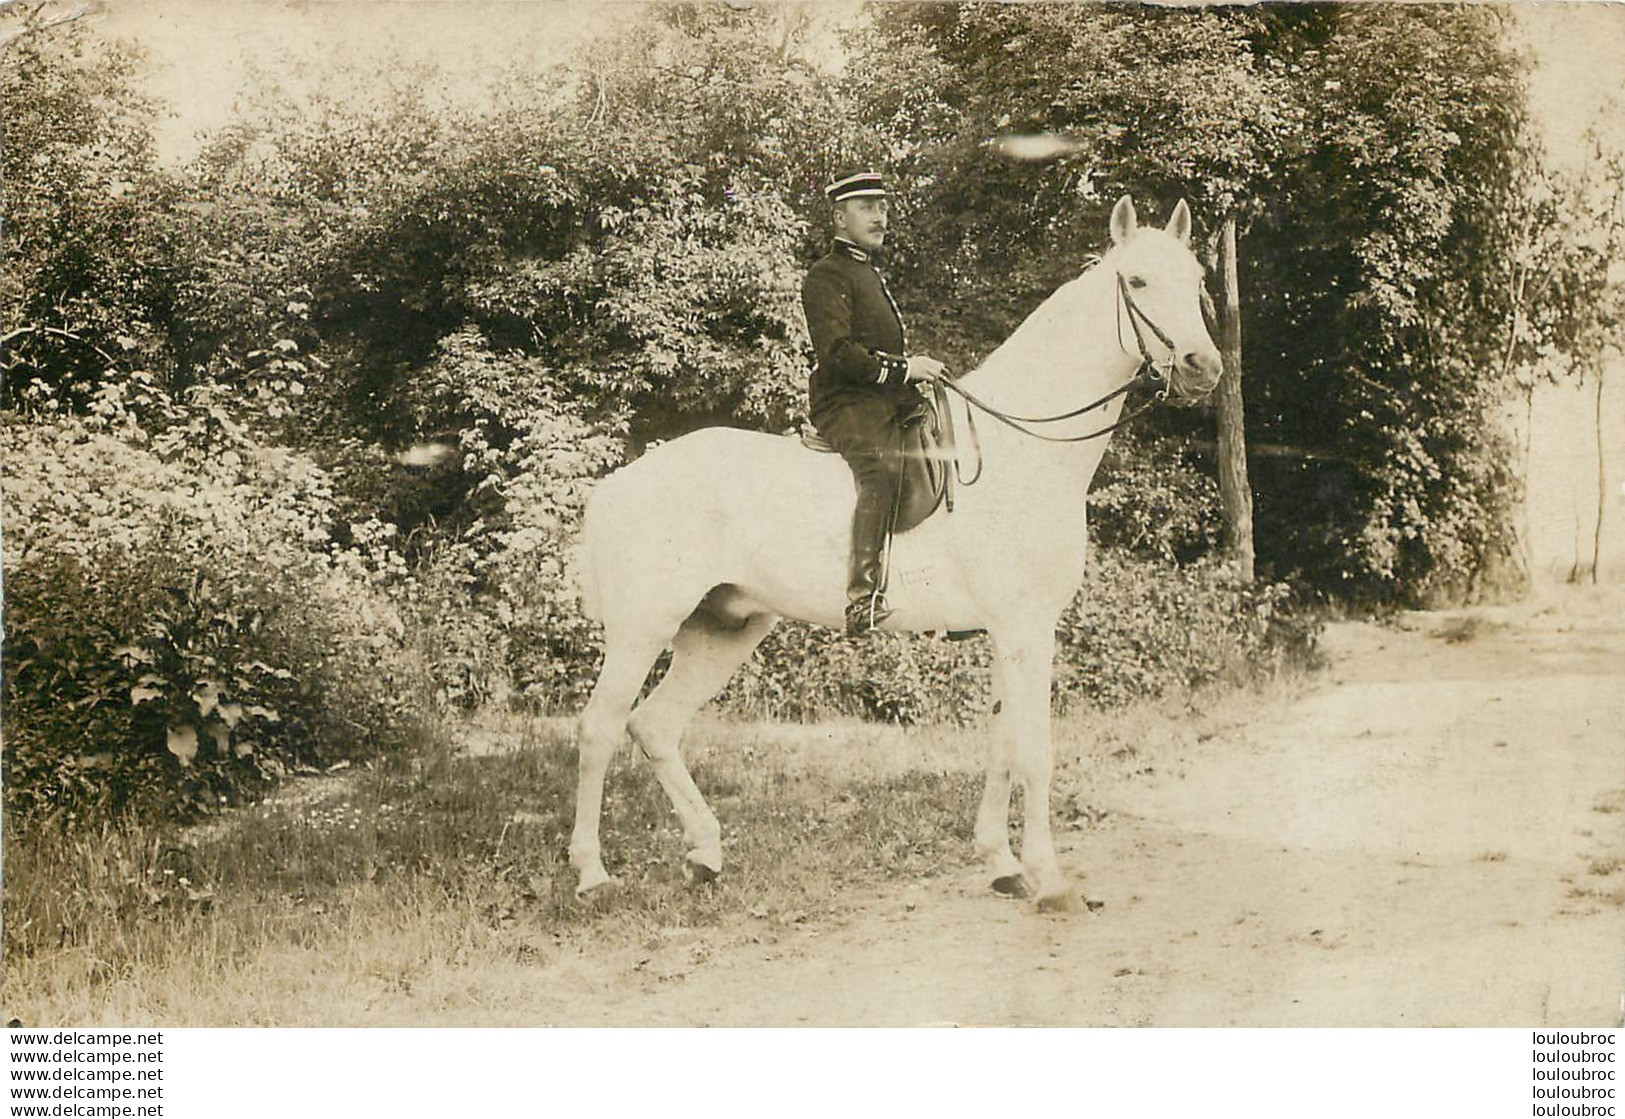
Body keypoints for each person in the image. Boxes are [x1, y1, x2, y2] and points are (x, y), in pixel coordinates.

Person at [801, 171, 947, 636]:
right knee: (881, 469)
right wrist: (906, 369)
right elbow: (838, 353)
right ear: (840, 217)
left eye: (882, 206)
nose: (879, 216)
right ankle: (862, 598)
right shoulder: (827, 274)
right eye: (866, 206)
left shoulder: (867, 271)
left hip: (883, 400)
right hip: (844, 402)